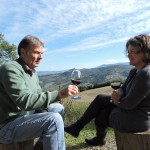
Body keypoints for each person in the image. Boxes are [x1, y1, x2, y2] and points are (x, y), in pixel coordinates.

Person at [65, 33, 150, 146]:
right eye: (128, 52)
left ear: (146, 53)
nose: (129, 55)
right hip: (130, 111)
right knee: (100, 98)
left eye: (134, 51)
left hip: (136, 119)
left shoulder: (146, 74)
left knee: (101, 113)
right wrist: (118, 93)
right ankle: (78, 127)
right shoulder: (134, 71)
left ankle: (95, 137)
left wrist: (115, 100)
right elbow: (123, 88)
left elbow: (129, 104)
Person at [0, 35, 78, 150]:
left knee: (57, 108)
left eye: (42, 53)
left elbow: (37, 97)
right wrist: (59, 94)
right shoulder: (10, 69)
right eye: (36, 53)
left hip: (23, 117)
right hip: (7, 126)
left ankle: (41, 146)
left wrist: (46, 110)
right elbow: (25, 101)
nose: (40, 57)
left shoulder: (32, 72)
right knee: (54, 119)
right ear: (23, 52)